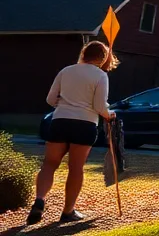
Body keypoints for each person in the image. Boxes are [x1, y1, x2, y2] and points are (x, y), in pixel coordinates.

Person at [27, 41, 117, 225]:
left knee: (49, 164)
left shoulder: (66, 71)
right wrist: (110, 115)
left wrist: (65, 105)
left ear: (84, 53)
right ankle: (68, 211)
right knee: (75, 168)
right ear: (102, 58)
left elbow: (51, 99)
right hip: (85, 124)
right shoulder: (100, 76)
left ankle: (40, 199)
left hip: (60, 120)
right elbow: (100, 106)